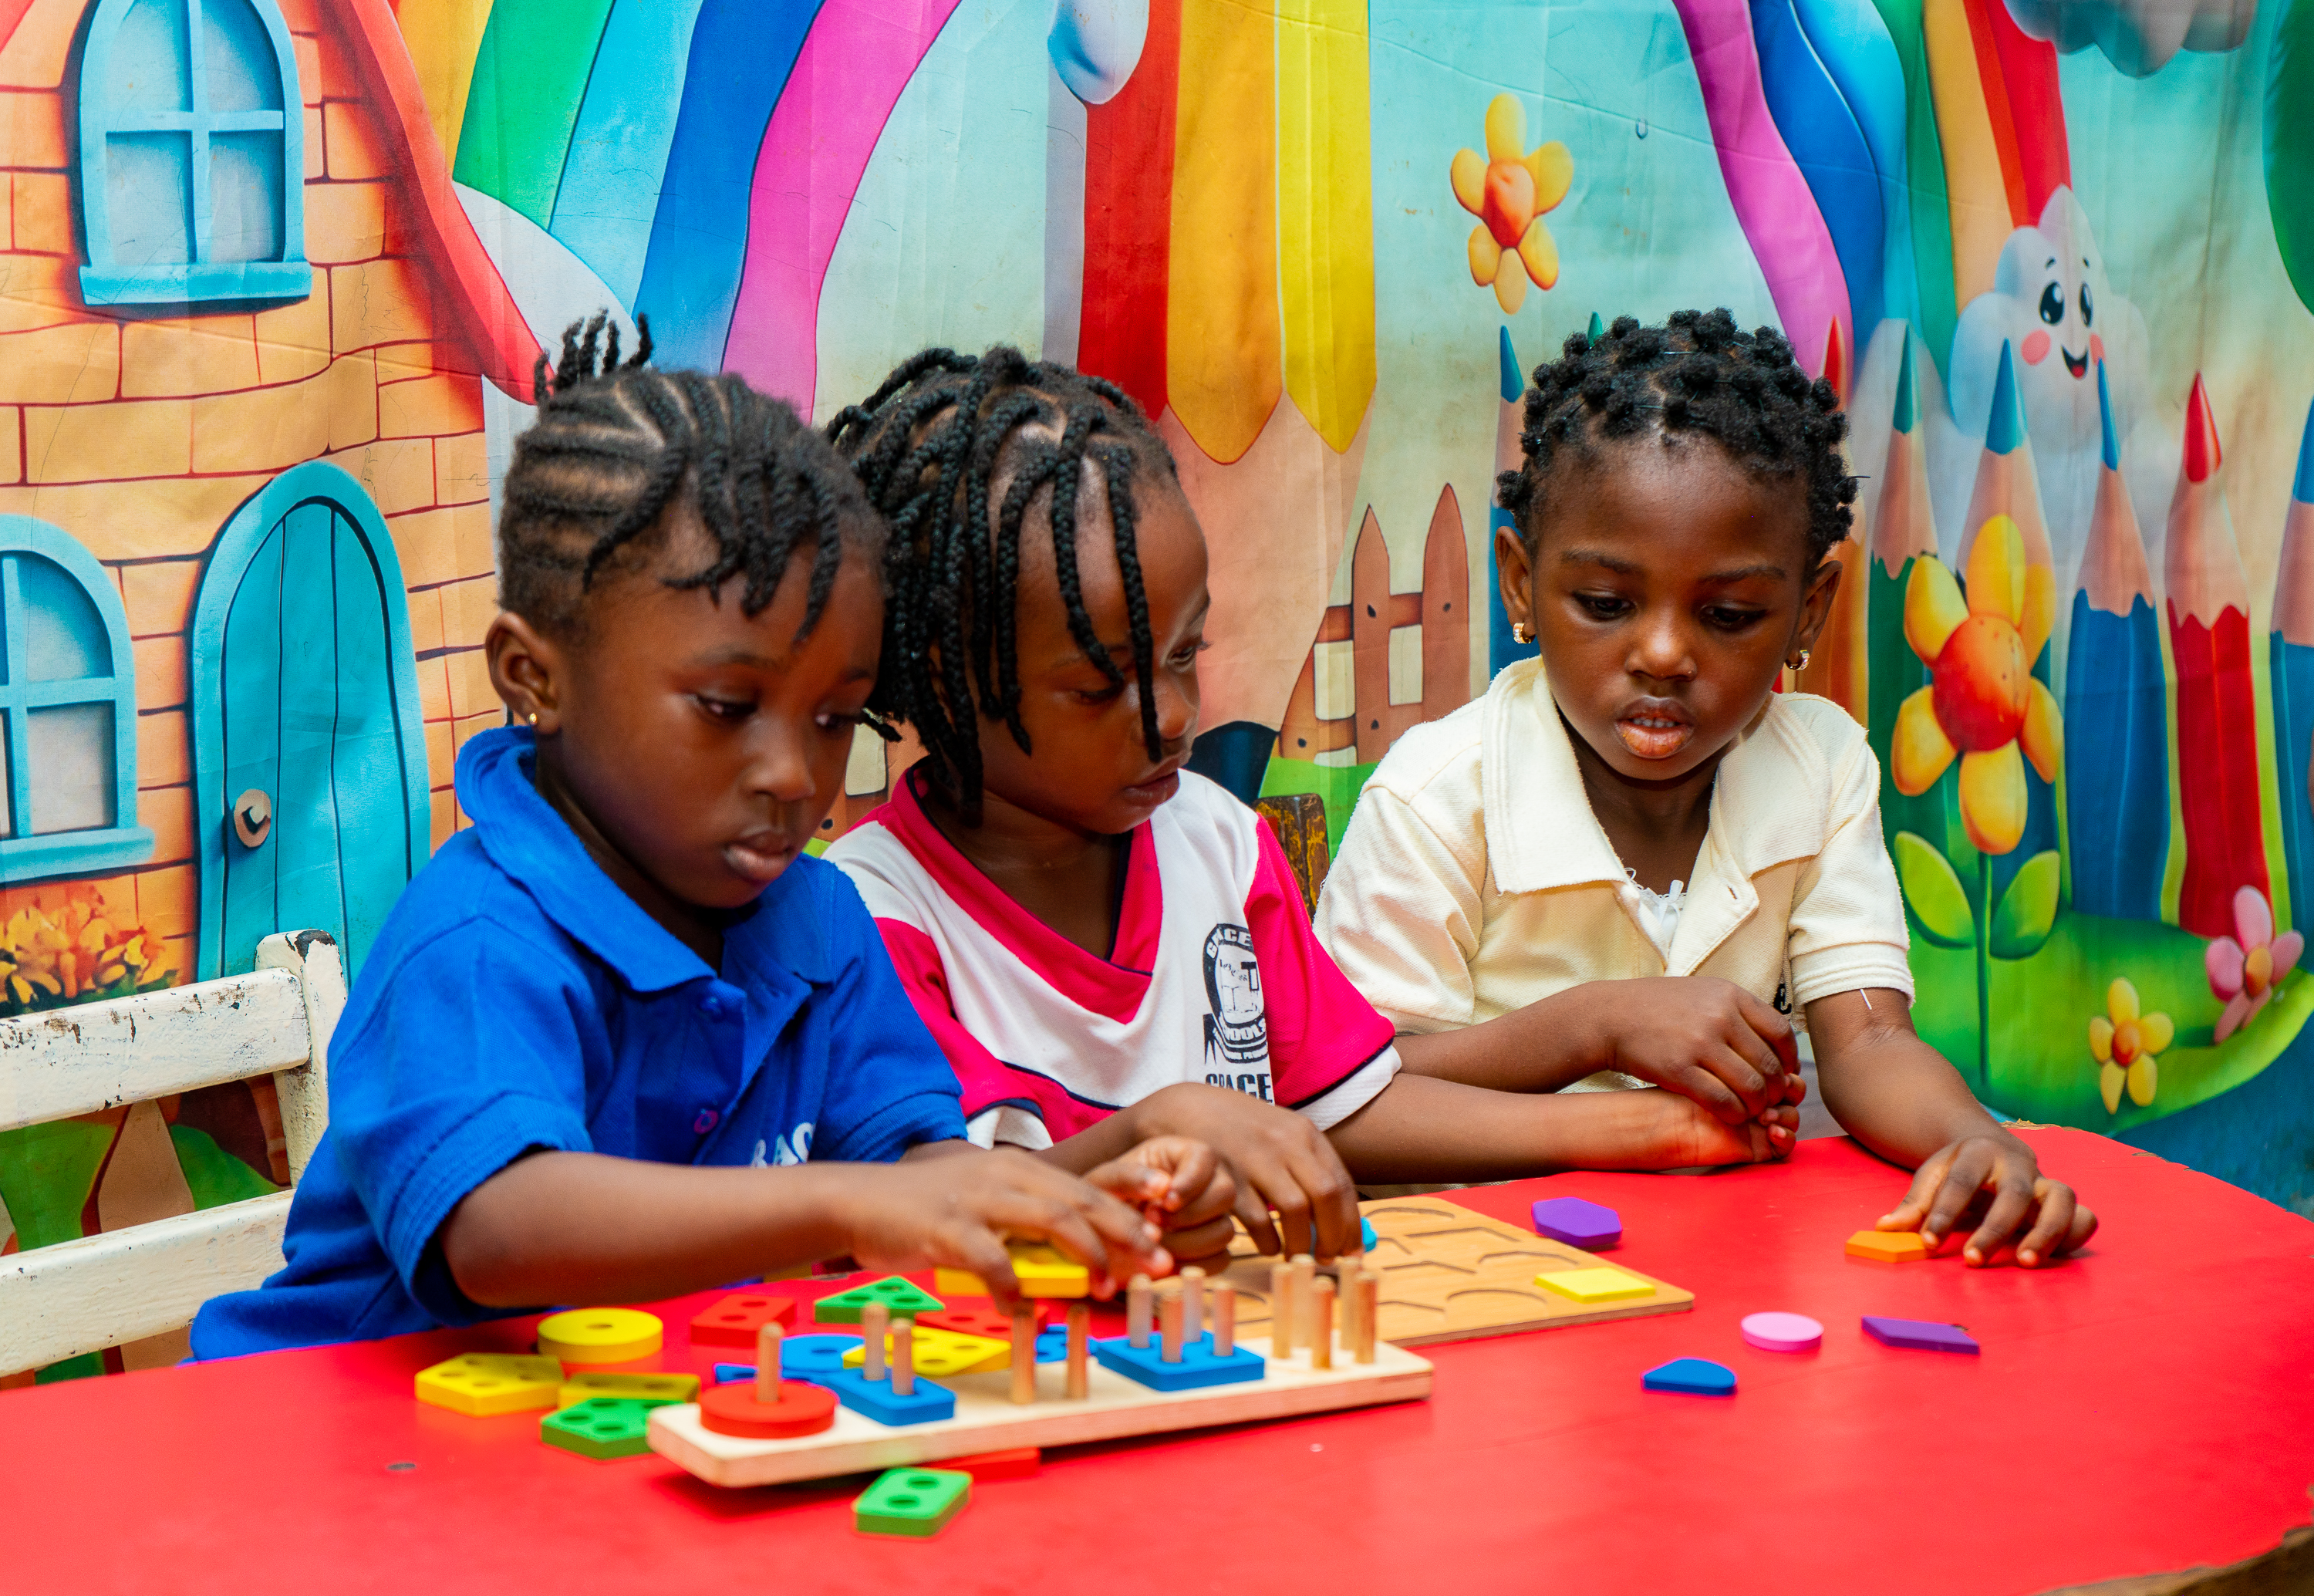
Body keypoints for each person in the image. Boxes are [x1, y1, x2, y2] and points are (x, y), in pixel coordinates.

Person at [191, 322, 1211, 1358]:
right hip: (331, 1446)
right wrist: (838, 1207)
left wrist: (1099, 1174)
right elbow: (501, 1232)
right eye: (728, 706)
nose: (791, 774)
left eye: (832, 721)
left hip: (607, 1449)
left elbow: (914, 1187)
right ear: (533, 677)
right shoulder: (478, 940)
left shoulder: (817, 924)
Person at [821, 348, 1797, 1269]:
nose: (1168, 717)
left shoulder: (1218, 841)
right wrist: (1157, 1127)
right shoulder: (872, 915)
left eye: (1182, 657)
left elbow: (1346, 1104)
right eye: (1094, 686)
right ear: (946, 681)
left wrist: (1641, 1126)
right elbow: (929, 1206)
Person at [1316, 309, 2096, 1267]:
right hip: (1485, 1279)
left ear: (1807, 610)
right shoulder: (1437, 797)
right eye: (1605, 603)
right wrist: (1598, 1031)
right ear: (1520, 585)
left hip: (1728, 1265)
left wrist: (1977, 1142)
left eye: (1728, 614)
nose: (1663, 651)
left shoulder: (1820, 764)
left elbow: (1868, 1046)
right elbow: (1349, 1101)